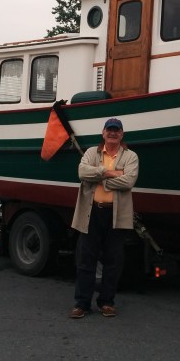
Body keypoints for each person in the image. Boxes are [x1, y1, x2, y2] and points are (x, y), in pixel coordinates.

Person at [70, 117, 139, 319]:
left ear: (122, 134)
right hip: (91, 213)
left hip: (116, 215)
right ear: (103, 133)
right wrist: (109, 172)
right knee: (86, 261)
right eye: (109, 130)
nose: (113, 133)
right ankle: (81, 303)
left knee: (113, 261)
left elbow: (129, 181)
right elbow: (82, 172)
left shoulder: (131, 156)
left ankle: (107, 302)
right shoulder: (92, 152)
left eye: (116, 130)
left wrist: (100, 180)